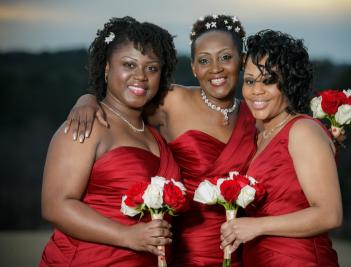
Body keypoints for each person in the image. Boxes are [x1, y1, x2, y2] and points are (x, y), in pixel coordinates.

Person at [63, 14, 257, 266]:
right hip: (178, 248)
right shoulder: (171, 101)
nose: (216, 68)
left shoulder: (255, 116)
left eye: (225, 57)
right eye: (204, 60)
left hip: (236, 248)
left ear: (241, 61)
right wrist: (87, 99)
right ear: (194, 68)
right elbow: (123, 103)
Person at [40, 16, 180, 266]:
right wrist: (127, 236)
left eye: (152, 68)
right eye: (129, 64)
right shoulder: (87, 125)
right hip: (92, 259)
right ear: (107, 68)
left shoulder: (154, 132)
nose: (141, 76)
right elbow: (55, 206)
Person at [220, 29, 342, 266]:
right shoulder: (260, 135)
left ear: (289, 82)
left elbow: (330, 214)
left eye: (268, 80)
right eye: (249, 81)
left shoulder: (302, 131)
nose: (256, 90)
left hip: (299, 259)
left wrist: (257, 226)